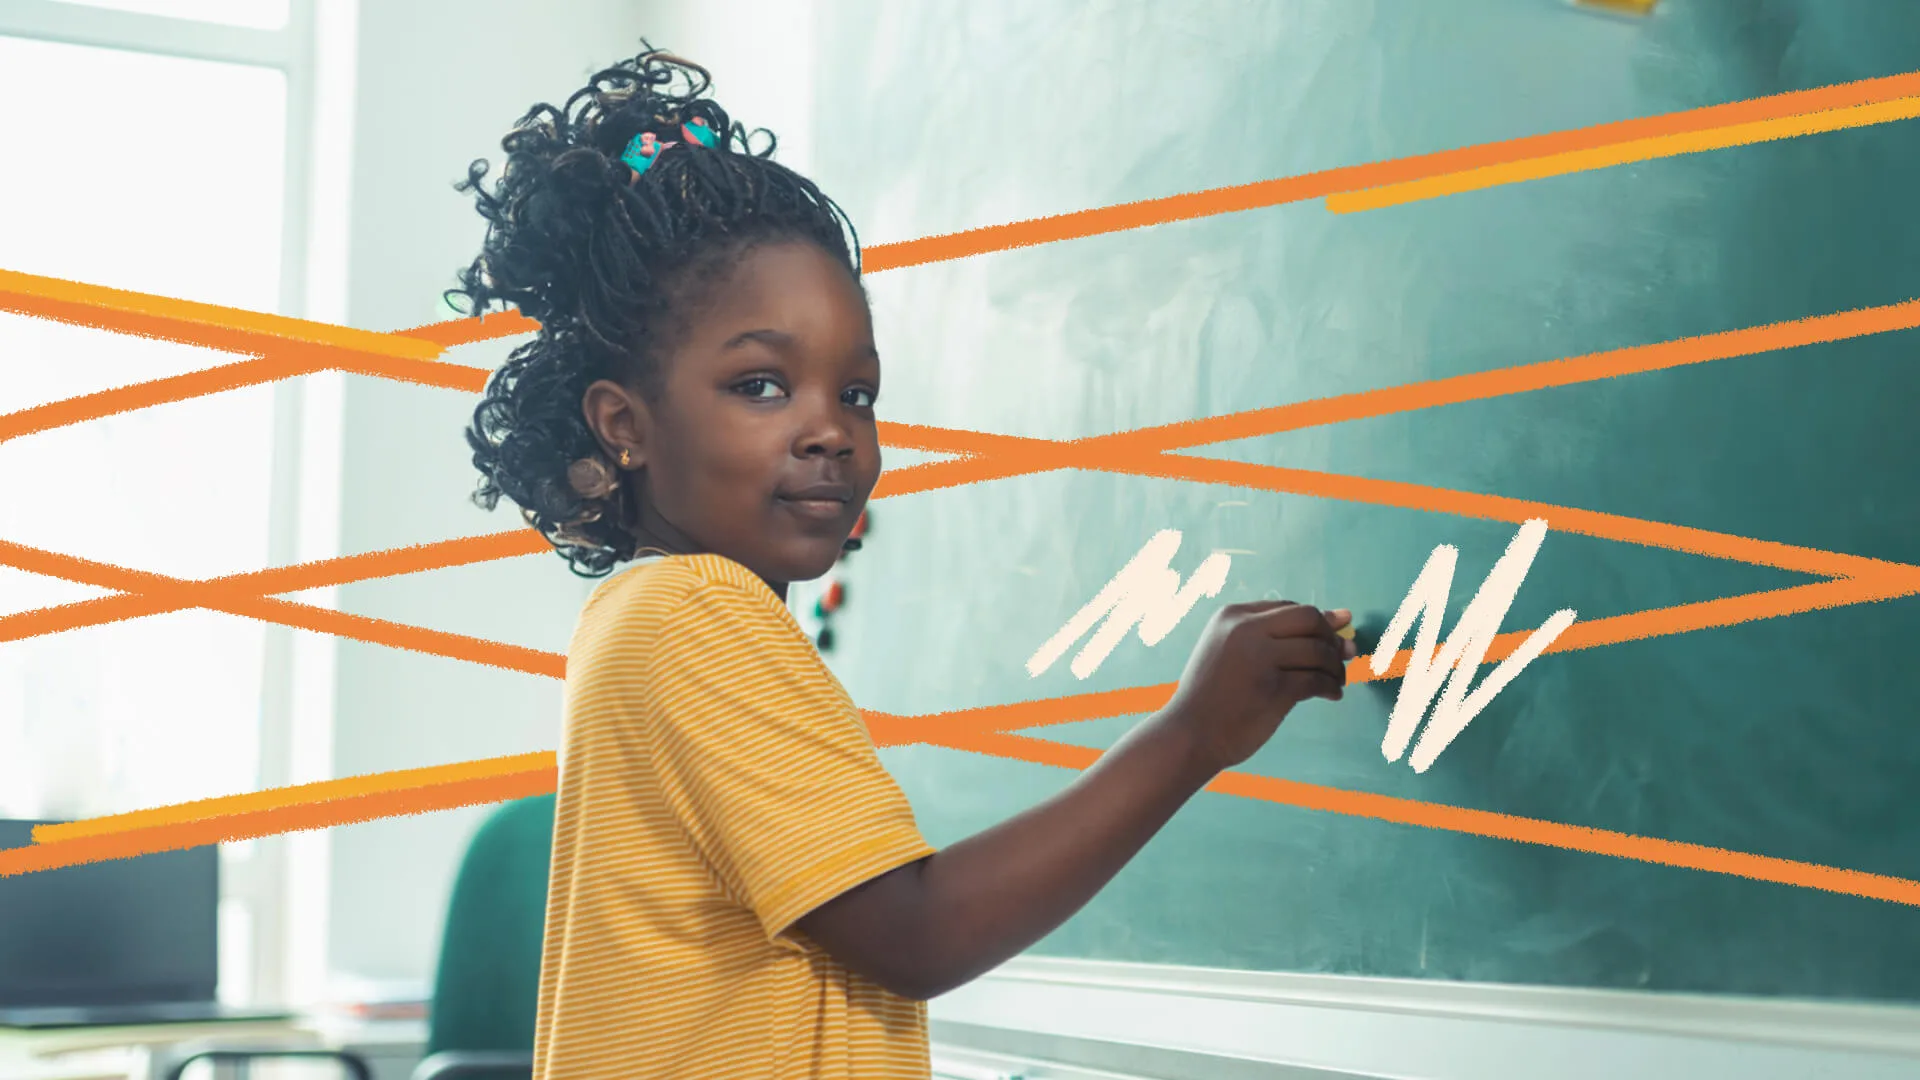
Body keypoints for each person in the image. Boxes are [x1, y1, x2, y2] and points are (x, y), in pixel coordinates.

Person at [449, 43, 1357, 1080]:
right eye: (760, 385)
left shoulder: (646, 619)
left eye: (858, 393)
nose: (831, 430)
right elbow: (913, 935)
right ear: (626, 425)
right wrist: (1193, 733)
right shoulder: (692, 616)